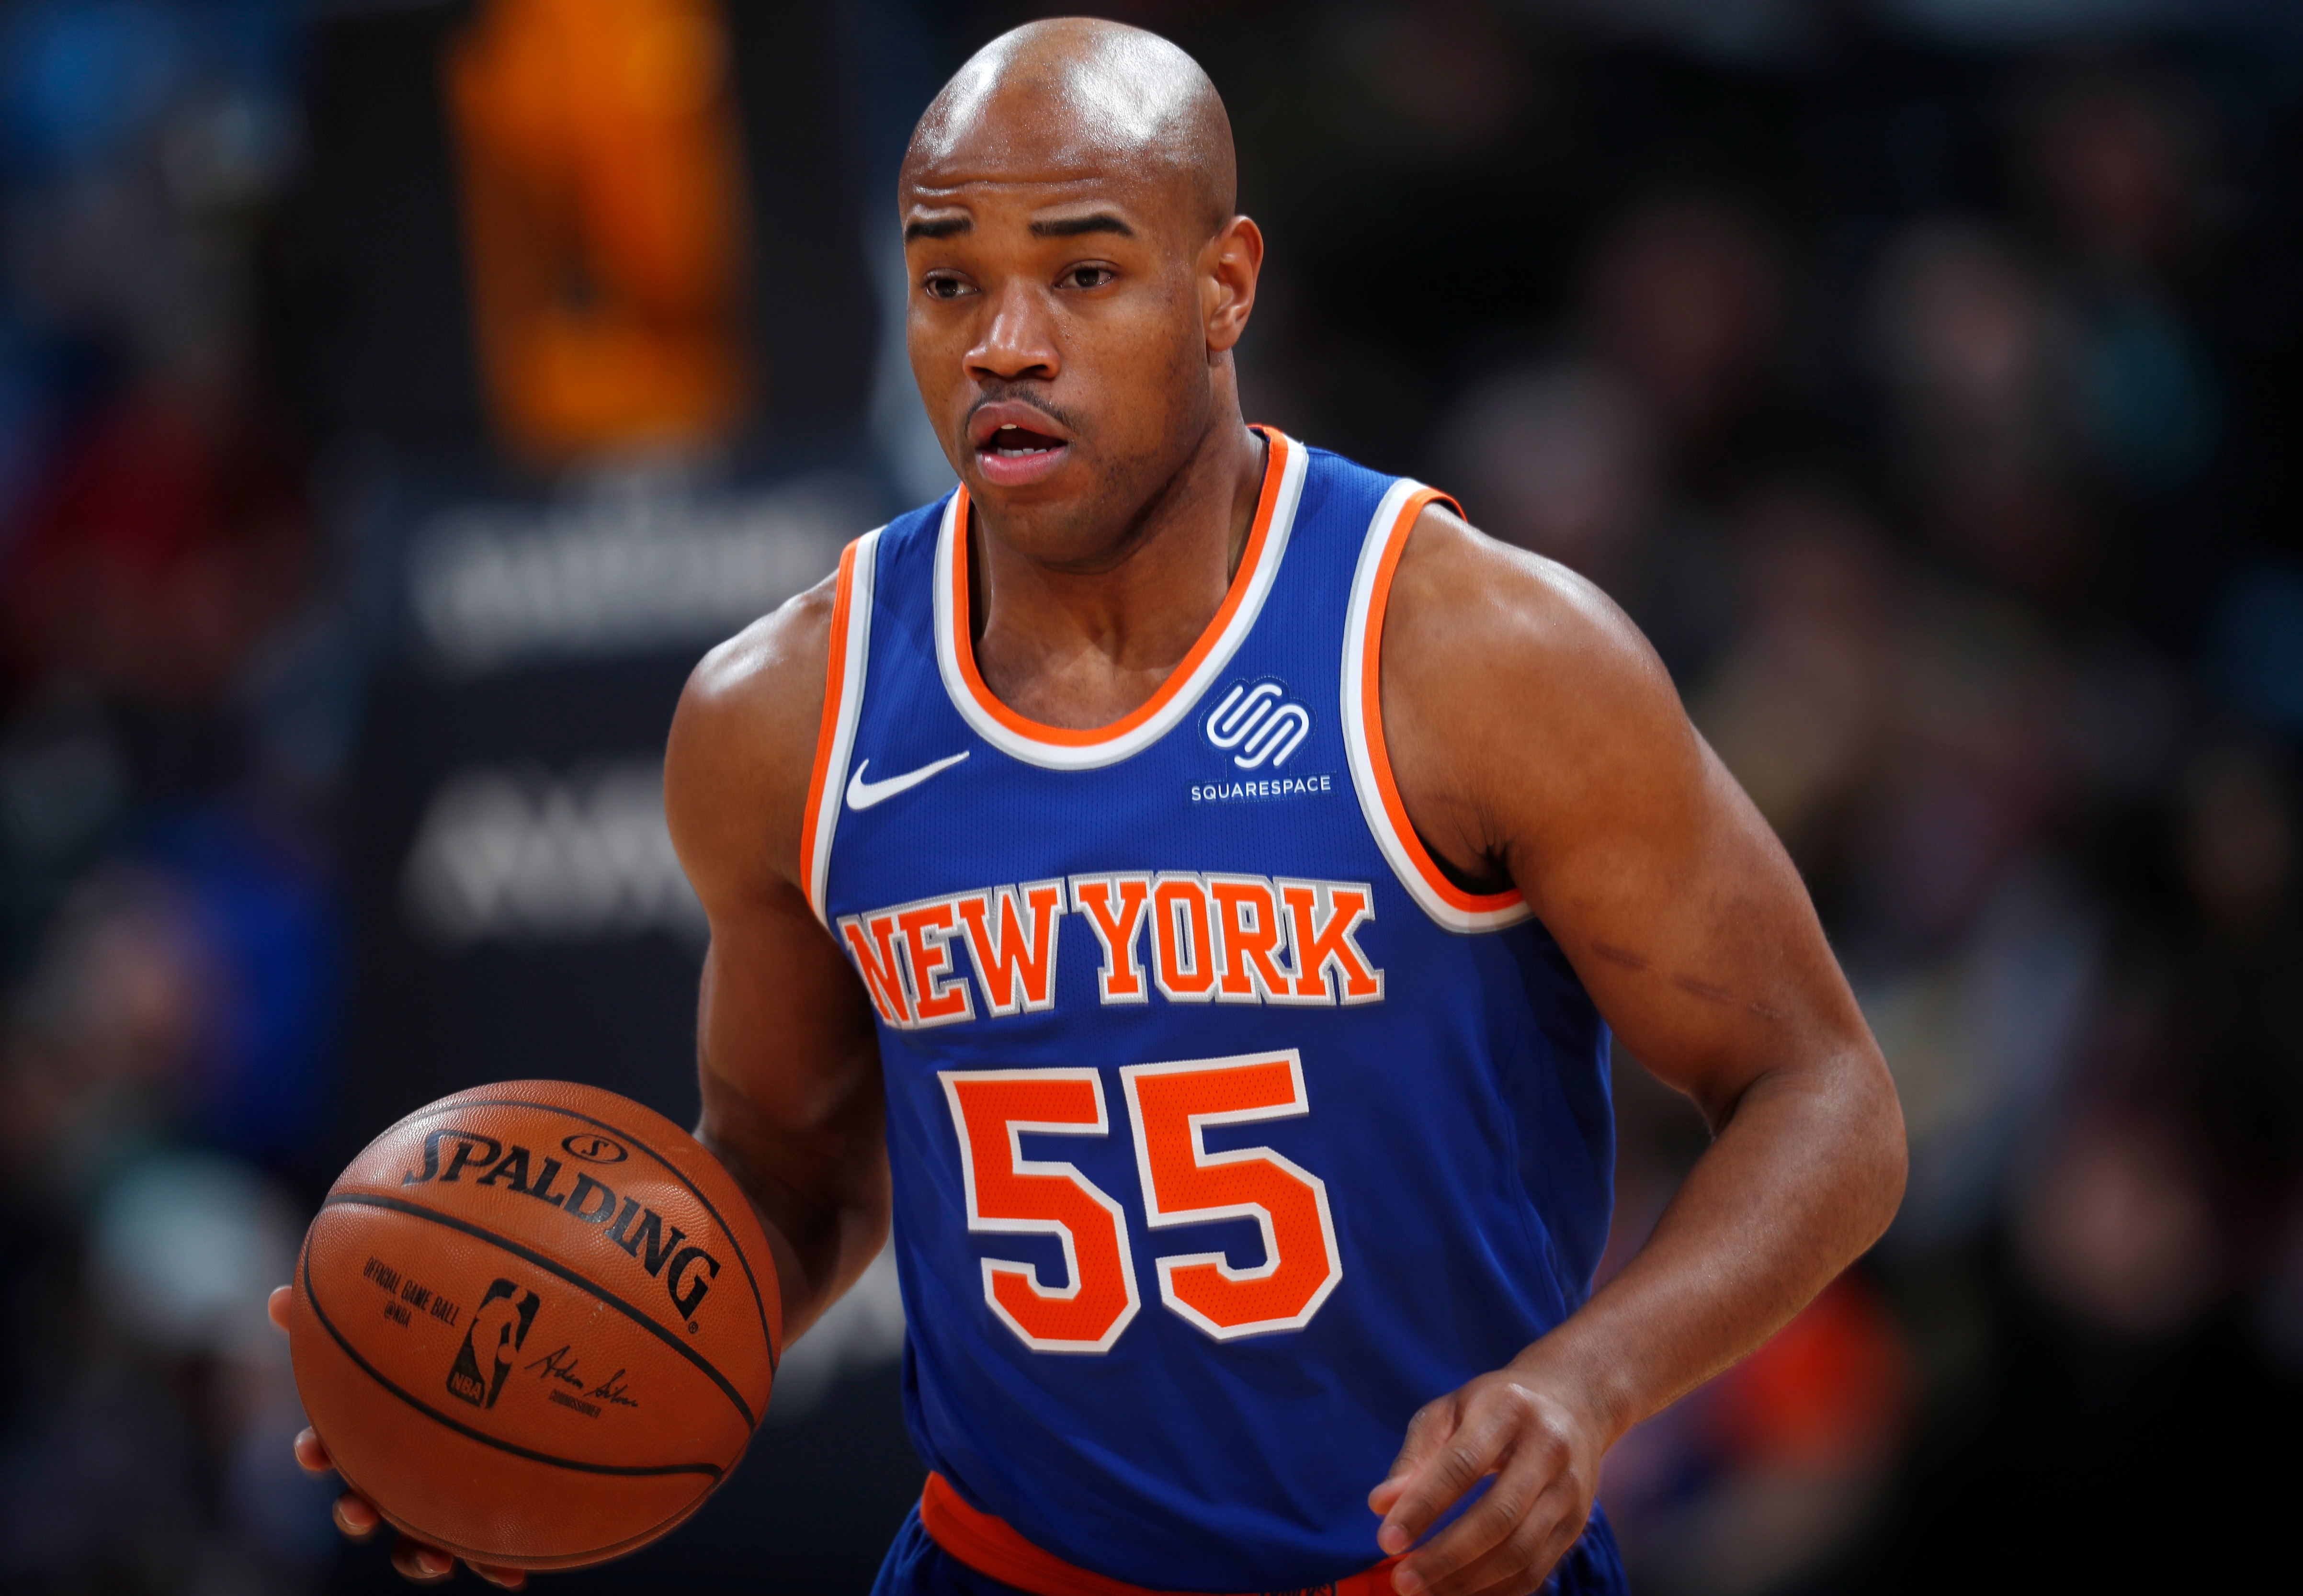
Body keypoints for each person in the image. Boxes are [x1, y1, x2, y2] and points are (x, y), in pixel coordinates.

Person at [270, 19, 1906, 1596]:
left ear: (1225, 285)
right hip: (1002, 1572)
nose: (1003, 341)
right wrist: (505, 1406)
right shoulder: (785, 712)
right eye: (947, 282)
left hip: (1429, 1575)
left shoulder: (1475, 655)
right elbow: (791, 1174)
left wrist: (1591, 1383)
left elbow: (1825, 1095)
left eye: (1085, 271)